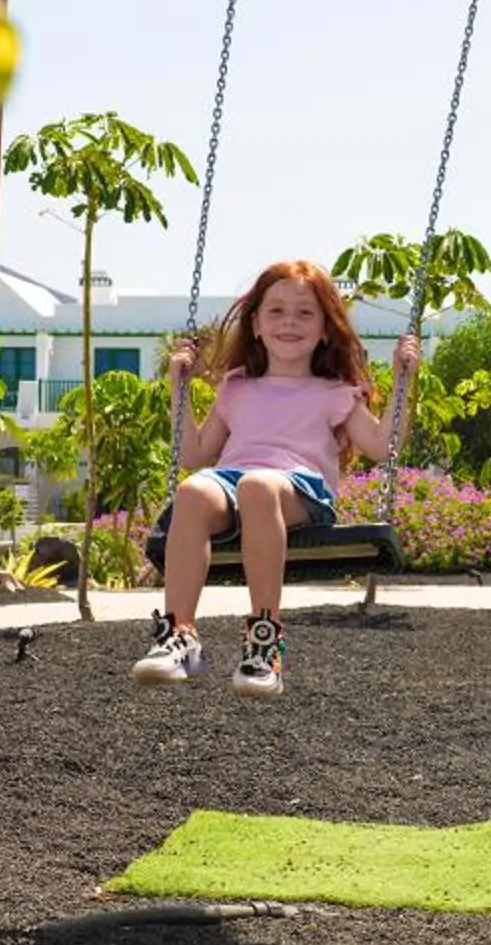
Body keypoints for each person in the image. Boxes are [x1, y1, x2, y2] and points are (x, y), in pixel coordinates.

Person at [131, 259, 418, 698]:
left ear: (325, 328)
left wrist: (402, 380)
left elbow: (383, 446)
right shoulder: (237, 387)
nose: (290, 322)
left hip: (299, 490)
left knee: (258, 486)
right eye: (277, 311)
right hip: (233, 482)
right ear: (257, 325)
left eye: (305, 313)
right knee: (192, 491)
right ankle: (180, 636)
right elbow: (195, 455)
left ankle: (264, 644)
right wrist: (179, 388)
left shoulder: (334, 392)